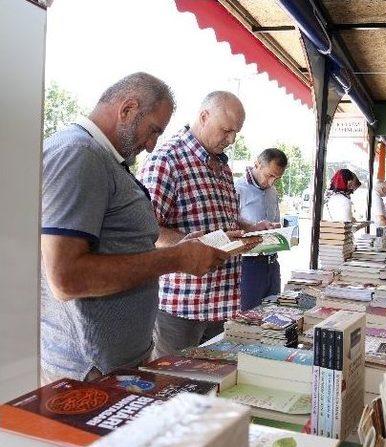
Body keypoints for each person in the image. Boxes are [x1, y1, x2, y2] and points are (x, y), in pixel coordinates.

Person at [40, 73, 234, 384]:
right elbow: (66, 278)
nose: (151, 144)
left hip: (114, 363)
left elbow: (124, 244)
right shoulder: (79, 154)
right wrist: (176, 259)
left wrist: (183, 246)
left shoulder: (100, 157)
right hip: (90, 370)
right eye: (153, 130)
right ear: (128, 109)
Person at [139, 91, 261, 358]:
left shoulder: (223, 166)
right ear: (204, 116)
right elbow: (145, 231)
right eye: (226, 130)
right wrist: (194, 245)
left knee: (211, 388)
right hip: (182, 307)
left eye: (235, 133)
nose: (230, 140)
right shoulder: (167, 160)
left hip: (223, 302)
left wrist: (249, 228)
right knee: (175, 390)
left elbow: (221, 217)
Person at [235, 148, 288, 310]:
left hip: (272, 263)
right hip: (248, 265)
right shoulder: (237, 188)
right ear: (257, 164)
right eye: (269, 175)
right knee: (249, 318)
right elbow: (229, 225)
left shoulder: (272, 192)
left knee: (272, 316)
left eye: (277, 178)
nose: (272, 182)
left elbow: (274, 222)